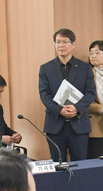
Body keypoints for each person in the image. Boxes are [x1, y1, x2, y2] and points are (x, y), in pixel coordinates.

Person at [37, 28, 94, 164]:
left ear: (73, 44)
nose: (60, 45)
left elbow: (90, 93)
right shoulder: (46, 68)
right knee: (57, 165)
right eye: (57, 42)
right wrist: (59, 110)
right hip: (55, 125)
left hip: (79, 125)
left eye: (64, 42)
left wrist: (76, 108)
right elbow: (44, 94)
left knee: (81, 166)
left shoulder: (85, 67)